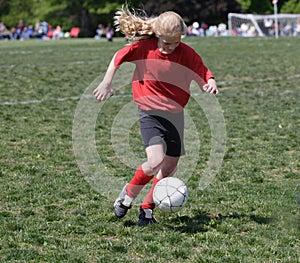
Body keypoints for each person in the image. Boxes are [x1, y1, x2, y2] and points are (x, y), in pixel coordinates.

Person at [93, 7, 219, 227]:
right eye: (167, 43)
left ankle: (147, 209)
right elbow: (118, 56)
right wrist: (107, 81)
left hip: (175, 115)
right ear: (158, 36)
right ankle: (127, 196)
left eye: (176, 43)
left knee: (170, 168)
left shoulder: (186, 53)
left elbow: (202, 71)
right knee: (154, 162)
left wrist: (209, 82)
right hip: (149, 112)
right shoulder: (145, 47)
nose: (172, 48)